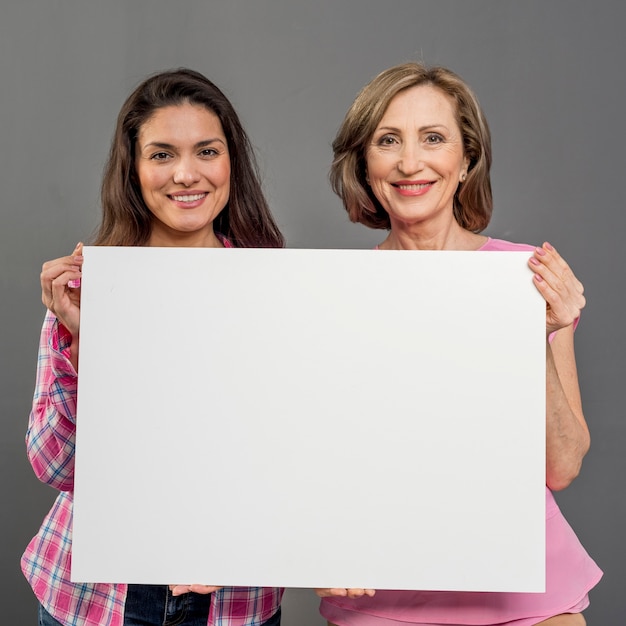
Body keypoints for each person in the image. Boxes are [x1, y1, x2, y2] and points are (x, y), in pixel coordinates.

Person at [316, 63, 602, 626]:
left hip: (527, 600)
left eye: (433, 138)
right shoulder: (330, 294)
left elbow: (562, 466)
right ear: (364, 163)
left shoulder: (528, 276)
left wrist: (535, 335)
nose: (409, 162)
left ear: (467, 158)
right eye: (387, 140)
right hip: (381, 600)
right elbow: (315, 465)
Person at [22, 68, 284, 626]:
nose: (186, 174)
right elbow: (54, 464)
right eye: (162, 154)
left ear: (230, 161)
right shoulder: (90, 286)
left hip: (234, 601)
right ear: (134, 170)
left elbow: (294, 457)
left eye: (206, 151)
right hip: (100, 597)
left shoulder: (276, 290)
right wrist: (81, 343)